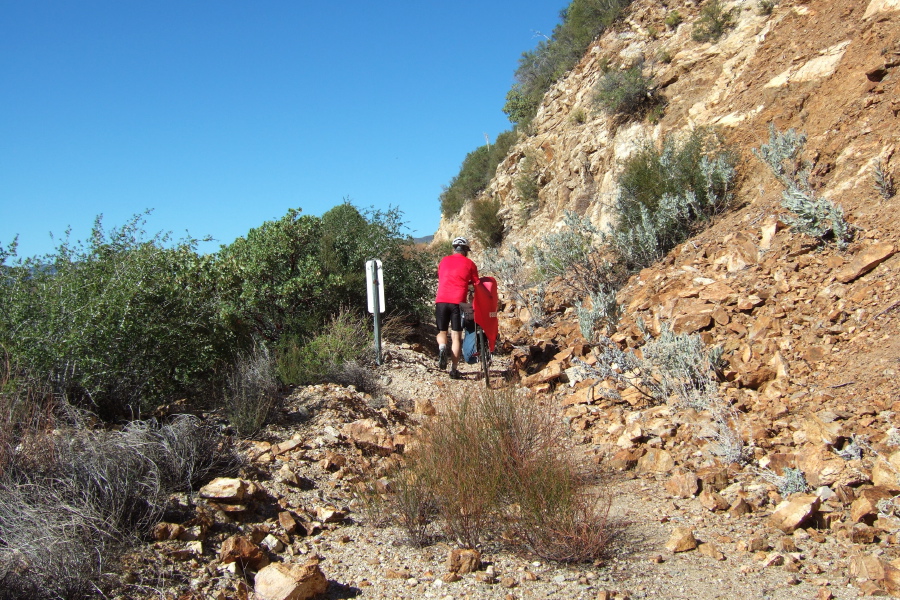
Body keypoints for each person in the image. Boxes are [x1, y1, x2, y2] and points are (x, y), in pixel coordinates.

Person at [435, 236, 479, 379]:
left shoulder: (443, 261)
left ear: (454, 248)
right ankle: (453, 370)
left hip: (441, 301)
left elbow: (440, 276)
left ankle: (442, 347)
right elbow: (476, 283)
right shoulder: (470, 263)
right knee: (456, 337)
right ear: (466, 250)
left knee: (442, 332)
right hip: (457, 302)